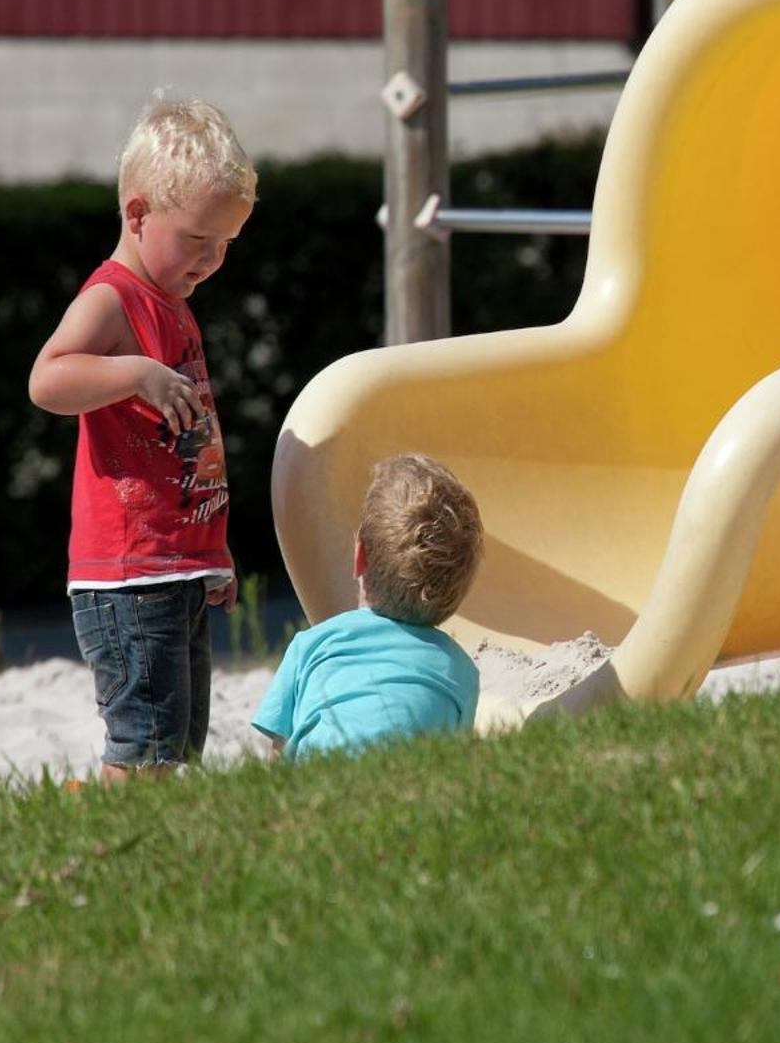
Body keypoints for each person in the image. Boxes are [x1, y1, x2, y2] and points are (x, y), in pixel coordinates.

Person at [28, 93, 257, 781]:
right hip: (128, 576)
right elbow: (47, 379)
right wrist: (132, 373)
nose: (212, 259)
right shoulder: (114, 297)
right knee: (146, 741)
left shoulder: (173, 305)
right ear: (138, 213)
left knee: (181, 739)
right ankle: (105, 825)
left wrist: (210, 551)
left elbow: (186, 453)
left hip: (175, 566)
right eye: (197, 240)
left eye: (226, 245)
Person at [254, 455, 483, 760]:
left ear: (359, 555)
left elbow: (278, 759)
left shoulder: (312, 645)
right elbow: (453, 762)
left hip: (316, 792)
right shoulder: (459, 669)